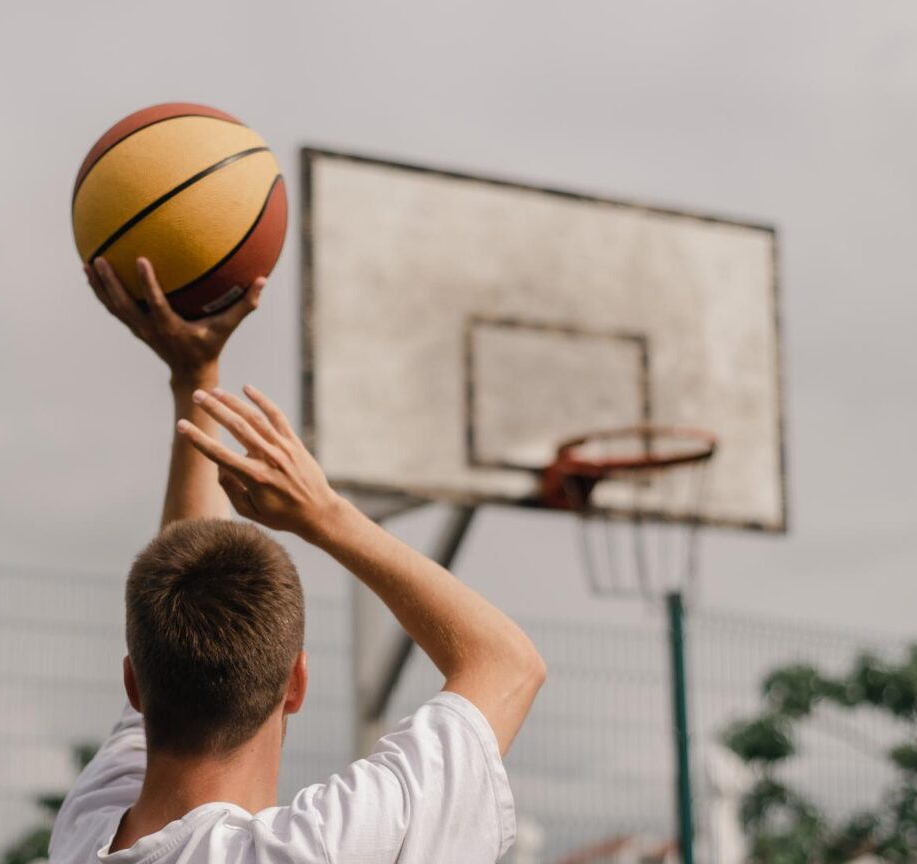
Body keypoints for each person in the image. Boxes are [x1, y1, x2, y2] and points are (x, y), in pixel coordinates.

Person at [49, 257, 546, 863]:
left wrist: (194, 374)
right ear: (297, 683)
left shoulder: (84, 832)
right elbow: (507, 663)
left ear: (135, 684)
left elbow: (187, 570)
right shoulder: (320, 849)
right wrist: (323, 514)